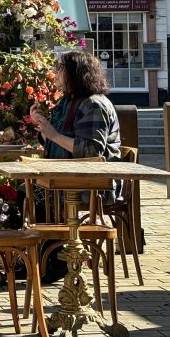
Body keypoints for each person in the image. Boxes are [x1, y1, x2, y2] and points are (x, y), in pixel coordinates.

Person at [27, 47, 122, 283]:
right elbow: (56, 137)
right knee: (26, 193)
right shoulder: (68, 101)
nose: (55, 74)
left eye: (60, 69)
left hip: (93, 183)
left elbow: (91, 151)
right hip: (67, 176)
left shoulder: (93, 105)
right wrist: (43, 127)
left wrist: (53, 134)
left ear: (75, 73)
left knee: (37, 194)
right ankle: (41, 258)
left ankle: (56, 260)